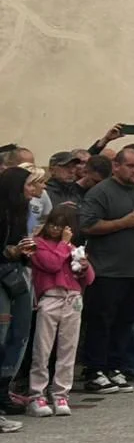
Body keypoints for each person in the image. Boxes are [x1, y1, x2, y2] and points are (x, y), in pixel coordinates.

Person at [77, 146, 134, 394]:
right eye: (132, 166)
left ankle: (115, 367)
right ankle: (95, 371)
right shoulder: (100, 192)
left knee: (125, 323)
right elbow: (87, 226)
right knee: (101, 322)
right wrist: (122, 223)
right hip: (107, 272)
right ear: (116, 166)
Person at [24, 202, 93, 417]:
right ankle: (37, 393)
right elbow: (51, 264)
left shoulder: (73, 247)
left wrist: (84, 266)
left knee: (67, 349)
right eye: (53, 224)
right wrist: (64, 244)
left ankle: (61, 392)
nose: (55, 229)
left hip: (72, 298)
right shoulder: (38, 244)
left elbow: (89, 278)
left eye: (61, 226)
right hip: (50, 297)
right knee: (42, 349)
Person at [0, 165, 46, 401]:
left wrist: (24, 250)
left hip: (18, 274)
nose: (34, 190)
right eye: (29, 185)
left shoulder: (22, 212)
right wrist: (10, 251)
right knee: (3, 331)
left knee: (20, 331)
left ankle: (5, 386)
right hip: (4, 276)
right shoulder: (4, 213)